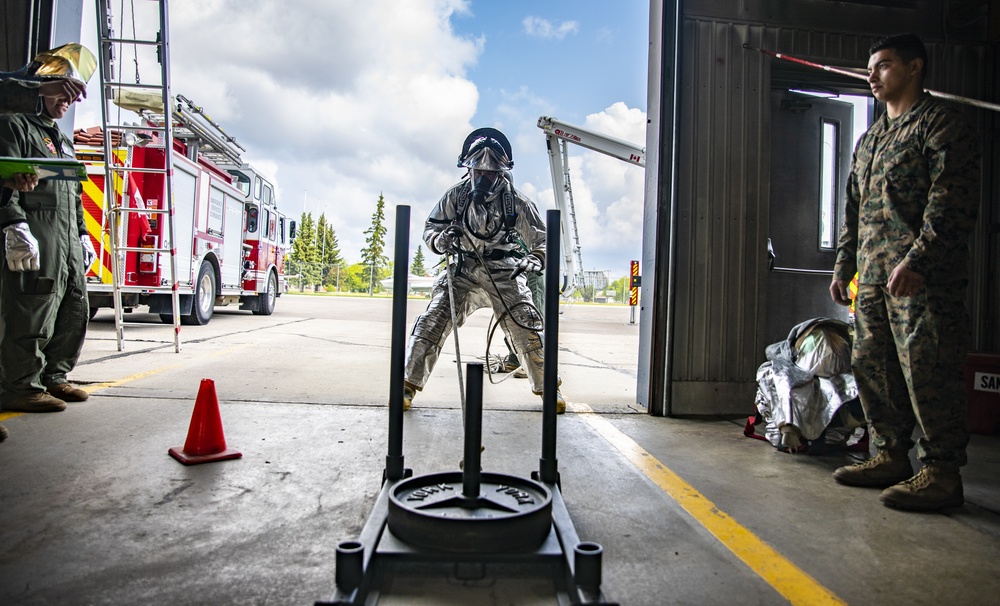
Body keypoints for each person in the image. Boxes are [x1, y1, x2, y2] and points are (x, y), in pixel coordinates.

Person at [829, 34, 980, 511]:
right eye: (870, 68)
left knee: (927, 371)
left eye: (884, 66)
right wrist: (843, 265)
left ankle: (941, 473)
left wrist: (919, 262)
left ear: (915, 68)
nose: (872, 76)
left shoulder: (940, 125)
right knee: (873, 369)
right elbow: (852, 208)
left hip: (921, 280)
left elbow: (950, 205)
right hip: (872, 281)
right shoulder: (871, 138)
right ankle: (891, 456)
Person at [402, 128, 565, 414]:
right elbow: (432, 228)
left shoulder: (518, 203)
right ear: (469, 169)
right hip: (463, 269)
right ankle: (406, 385)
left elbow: (543, 240)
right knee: (433, 319)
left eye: (489, 174)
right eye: (477, 171)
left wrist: (536, 258)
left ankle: (548, 388)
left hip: (505, 271)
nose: (483, 177)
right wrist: (442, 240)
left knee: (524, 324)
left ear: (502, 172)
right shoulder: (456, 196)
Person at [0, 43, 98, 427]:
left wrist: (83, 236)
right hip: (37, 233)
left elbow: (73, 195)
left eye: (73, 96)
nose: (68, 102)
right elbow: (6, 178)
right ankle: (20, 385)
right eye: (63, 92)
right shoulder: (14, 127)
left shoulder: (61, 139)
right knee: (30, 308)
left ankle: (53, 376)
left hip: (66, 240)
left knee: (74, 307)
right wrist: (12, 222)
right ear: (39, 88)